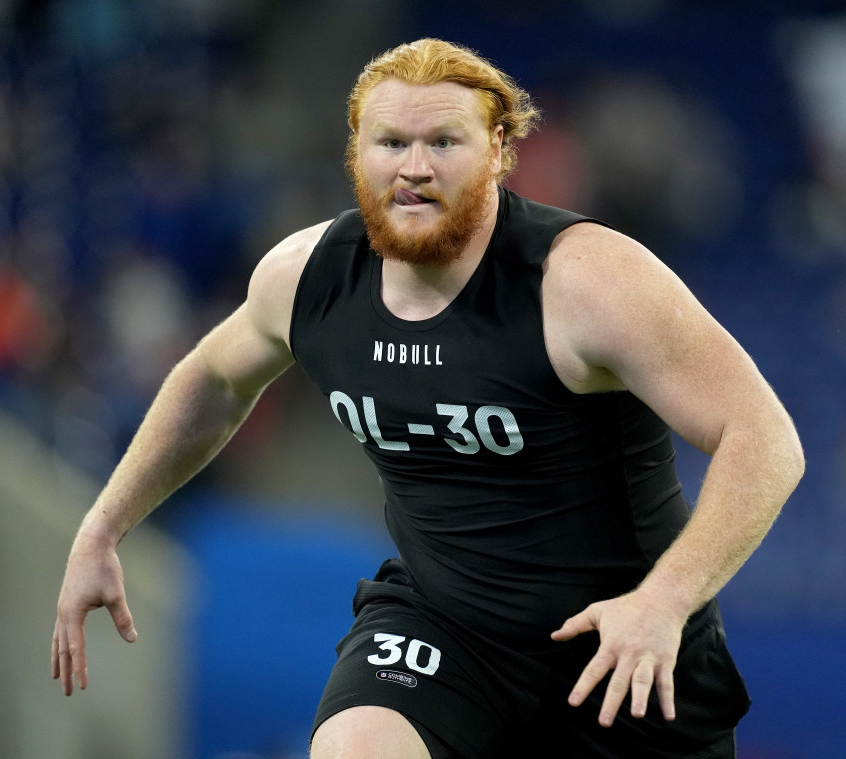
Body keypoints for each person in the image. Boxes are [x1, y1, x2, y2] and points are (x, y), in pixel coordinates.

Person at [51, 38, 804, 759]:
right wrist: (103, 526)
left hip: (616, 643)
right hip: (442, 626)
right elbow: (213, 378)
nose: (413, 168)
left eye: (444, 142)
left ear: (502, 152)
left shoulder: (585, 282)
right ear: (356, 155)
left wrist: (665, 602)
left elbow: (764, 436)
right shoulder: (307, 278)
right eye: (390, 143)